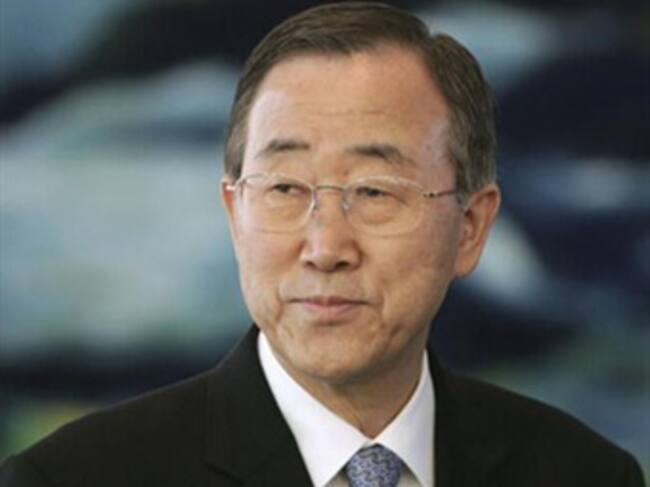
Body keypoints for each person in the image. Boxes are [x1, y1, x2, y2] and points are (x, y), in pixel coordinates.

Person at [1, 2, 644, 486]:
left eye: (375, 191)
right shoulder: (70, 478)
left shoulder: (585, 474)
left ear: (471, 228)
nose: (326, 246)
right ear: (234, 213)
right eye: (285, 187)